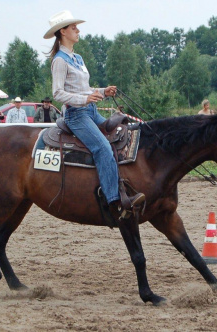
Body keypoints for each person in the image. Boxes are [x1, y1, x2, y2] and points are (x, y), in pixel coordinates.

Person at [45, 9, 145, 217]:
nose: (77, 30)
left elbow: (85, 89)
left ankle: (124, 184)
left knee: (122, 133)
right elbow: (57, 93)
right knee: (102, 148)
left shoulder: (78, 58)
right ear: (63, 31)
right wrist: (85, 99)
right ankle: (114, 200)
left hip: (90, 111)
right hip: (76, 115)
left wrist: (102, 92)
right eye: (73, 28)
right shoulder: (60, 61)